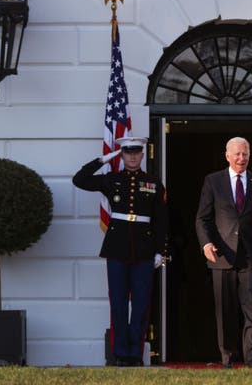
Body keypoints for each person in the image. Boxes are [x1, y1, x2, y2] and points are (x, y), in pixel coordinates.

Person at [73, 136, 168, 367]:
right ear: (122, 155)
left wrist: (160, 251)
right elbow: (79, 180)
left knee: (141, 304)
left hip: (144, 250)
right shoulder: (111, 179)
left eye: (136, 153)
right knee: (117, 303)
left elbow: (161, 221)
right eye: (127, 153)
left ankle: (135, 354)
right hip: (116, 248)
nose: (132, 157)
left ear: (143, 155)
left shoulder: (154, 183)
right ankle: (120, 353)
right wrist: (102, 159)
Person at [195, 136, 252, 369]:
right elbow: (202, 218)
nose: (242, 158)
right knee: (225, 310)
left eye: (246, 154)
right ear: (227, 155)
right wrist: (206, 244)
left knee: (251, 309)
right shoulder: (213, 181)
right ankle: (227, 357)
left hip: (251, 255)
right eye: (237, 154)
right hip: (221, 255)